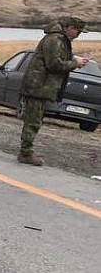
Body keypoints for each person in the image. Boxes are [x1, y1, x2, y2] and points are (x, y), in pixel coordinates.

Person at [17, 16, 90, 166]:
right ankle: (25, 153)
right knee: (33, 120)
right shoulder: (55, 39)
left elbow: (54, 59)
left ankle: (26, 150)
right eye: (78, 32)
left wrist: (72, 59)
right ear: (70, 29)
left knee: (34, 119)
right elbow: (54, 65)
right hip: (38, 86)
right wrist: (74, 63)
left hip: (40, 86)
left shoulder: (58, 40)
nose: (78, 36)